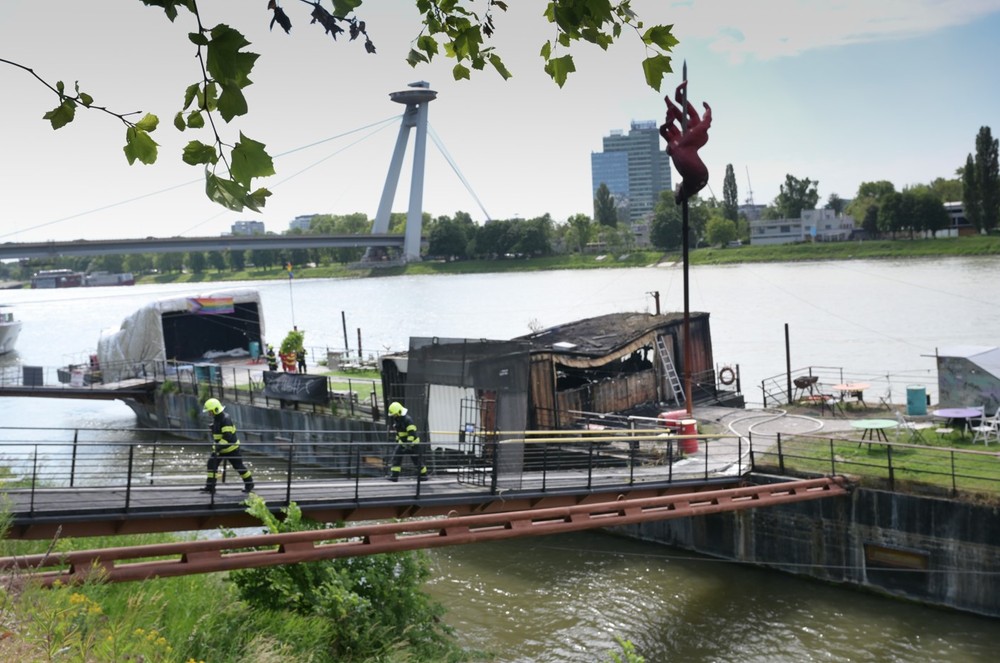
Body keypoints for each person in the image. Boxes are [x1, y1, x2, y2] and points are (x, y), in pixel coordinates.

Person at [201, 398, 254, 494]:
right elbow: (220, 433)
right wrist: (214, 428)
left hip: (231, 449)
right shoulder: (217, 418)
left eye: (210, 411)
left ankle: (249, 484)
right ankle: (210, 487)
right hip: (221, 449)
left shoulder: (226, 419)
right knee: (211, 464)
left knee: (238, 466)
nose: (209, 413)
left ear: (215, 410)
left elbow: (228, 436)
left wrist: (218, 447)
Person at [386, 401, 428, 482]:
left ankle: (424, 476)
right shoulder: (397, 419)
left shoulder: (407, 420)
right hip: (403, 443)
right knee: (396, 458)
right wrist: (398, 440)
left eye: (394, 414)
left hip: (412, 444)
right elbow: (399, 432)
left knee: (417, 460)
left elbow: (412, 432)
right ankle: (394, 476)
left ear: (399, 412)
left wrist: (409, 443)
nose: (393, 416)